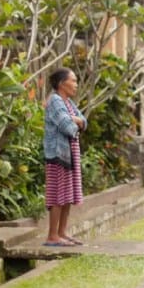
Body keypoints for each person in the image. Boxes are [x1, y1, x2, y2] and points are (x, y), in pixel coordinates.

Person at [43, 68, 87, 246]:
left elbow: (84, 122)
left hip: (70, 154)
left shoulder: (67, 102)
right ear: (62, 83)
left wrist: (76, 120)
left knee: (68, 194)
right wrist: (76, 121)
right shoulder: (55, 100)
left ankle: (62, 232)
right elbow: (67, 127)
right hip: (58, 155)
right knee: (58, 194)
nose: (76, 84)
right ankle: (52, 235)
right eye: (73, 81)